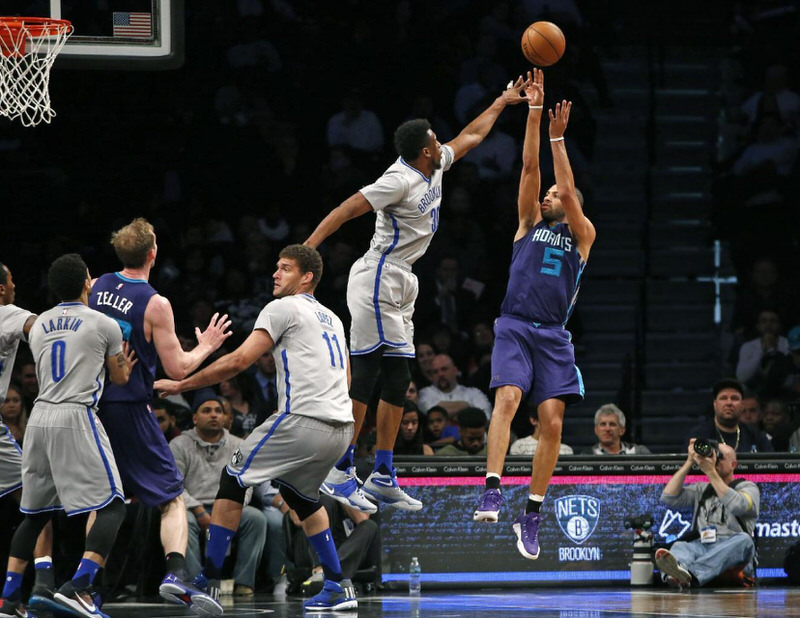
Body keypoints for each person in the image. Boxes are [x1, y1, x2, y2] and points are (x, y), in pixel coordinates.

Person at [304, 77, 528, 512]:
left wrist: (501, 101)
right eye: (434, 138)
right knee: (368, 374)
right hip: (376, 276)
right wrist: (310, 251)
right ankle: (339, 467)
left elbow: (473, 135)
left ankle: (383, 473)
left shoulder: (436, 161)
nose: (441, 141)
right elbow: (344, 209)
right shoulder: (397, 180)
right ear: (424, 148)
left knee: (400, 379)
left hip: (403, 278)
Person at [155, 245, 359, 612]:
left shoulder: (282, 307)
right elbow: (347, 379)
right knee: (302, 497)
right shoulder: (333, 317)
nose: (275, 275)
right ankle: (337, 584)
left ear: (307, 277)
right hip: (341, 426)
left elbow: (238, 361)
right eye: (276, 268)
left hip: (303, 419)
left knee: (233, 478)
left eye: (285, 268)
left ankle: (209, 582)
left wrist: (181, 386)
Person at [473, 70, 596, 566]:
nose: (547, 196)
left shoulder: (582, 237)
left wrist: (559, 139)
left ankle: (533, 511)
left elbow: (565, 188)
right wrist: (534, 113)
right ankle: (492, 489)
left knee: (552, 421)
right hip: (514, 324)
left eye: (555, 196)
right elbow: (529, 168)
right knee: (507, 398)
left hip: (554, 337)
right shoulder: (528, 227)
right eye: (545, 195)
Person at [89, 217, 232, 612]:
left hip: (95, 408)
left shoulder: (97, 285)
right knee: (171, 498)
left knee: (103, 501)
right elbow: (179, 370)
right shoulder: (155, 302)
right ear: (153, 253)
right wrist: (207, 345)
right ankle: (174, 575)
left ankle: (86, 584)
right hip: (132, 409)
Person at [0, 253, 135, 618]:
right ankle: (79, 585)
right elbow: (120, 378)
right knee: (112, 505)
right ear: (87, 283)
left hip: (40, 417)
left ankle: (9, 598)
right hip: (76, 414)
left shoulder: (41, 322)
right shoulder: (104, 324)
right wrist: (122, 355)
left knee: (33, 514)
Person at [169, 394, 266, 597]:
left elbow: (247, 484)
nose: (213, 415)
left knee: (256, 519)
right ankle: (197, 584)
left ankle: (244, 583)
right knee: (183, 521)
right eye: (206, 411)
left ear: (225, 417)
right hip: (193, 507)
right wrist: (197, 509)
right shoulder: (178, 445)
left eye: (218, 411)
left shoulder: (239, 444)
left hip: (231, 504)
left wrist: (235, 506)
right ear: (195, 418)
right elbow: (173, 485)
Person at [0, 263, 56, 612]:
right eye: (10, 280)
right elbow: (44, 329)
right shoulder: (6, 312)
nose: (15, 285)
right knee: (39, 495)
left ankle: (14, 595)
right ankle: (43, 585)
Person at [655, 440, 759, 588]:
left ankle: (691, 573)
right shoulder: (702, 489)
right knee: (681, 546)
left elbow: (738, 506)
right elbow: (668, 498)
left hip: (731, 550)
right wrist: (689, 461)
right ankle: (675, 575)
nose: (715, 460)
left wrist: (710, 471)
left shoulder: (748, 487)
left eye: (720, 456)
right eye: (714, 454)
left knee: (745, 541)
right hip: (703, 546)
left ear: (733, 465)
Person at [685, 379, 773, 453]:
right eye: (723, 398)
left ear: (742, 405)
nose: (729, 403)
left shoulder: (756, 436)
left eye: (734, 398)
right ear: (715, 404)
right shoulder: (700, 434)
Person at [417, 354, 493, 421]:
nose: (440, 374)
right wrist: (466, 406)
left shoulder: (474, 393)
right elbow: (434, 413)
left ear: (455, 370)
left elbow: (486, 416)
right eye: (435, 372)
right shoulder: (425, 394)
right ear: (431, 376)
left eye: (444, 369)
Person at [583, 404, 651, 455]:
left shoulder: (639, 452)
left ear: (622, 430)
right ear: (596, 430)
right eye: (603, 424)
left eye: (612, 424)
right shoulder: (587, 455)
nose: (607, 429)